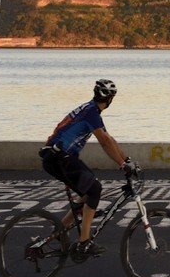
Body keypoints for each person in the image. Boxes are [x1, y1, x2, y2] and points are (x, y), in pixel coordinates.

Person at [39, 79, 135, 258]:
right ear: (110, 99)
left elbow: (110, 139)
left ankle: (59, 231)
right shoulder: (92, 112)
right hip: (59, 157)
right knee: (94, 189)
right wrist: (122, 165)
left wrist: (127, 160)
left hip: (56, 157)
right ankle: (84, 242)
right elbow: (105, 142)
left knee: (87, 193)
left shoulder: (91, 110)